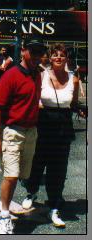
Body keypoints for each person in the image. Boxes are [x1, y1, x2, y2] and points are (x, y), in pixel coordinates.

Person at [0, 37, 47, 234]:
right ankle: (3, 214)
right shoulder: (11, 76)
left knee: (22, 175)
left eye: (40, 52)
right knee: (11, 175)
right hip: (13, 131)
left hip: (31, 132)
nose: (36, 56)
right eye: (33, 52)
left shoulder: (37, 74)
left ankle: (3, 204)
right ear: (23, 51)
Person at [21, 43, 83, 228]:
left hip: (63, 125)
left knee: (59, 167)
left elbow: (72, 104)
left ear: (66, 58)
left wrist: (80, 110)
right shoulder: (41, 74)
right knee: (37, 162)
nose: (58, 58)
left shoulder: (74, 78)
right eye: (55, 55)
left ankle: (54, 205)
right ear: (50, 57)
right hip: (43, 122)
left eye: (62, 55)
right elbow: (32, 97)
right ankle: (31, 192)